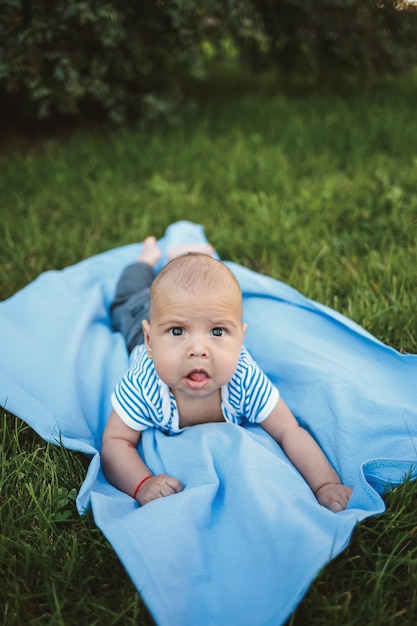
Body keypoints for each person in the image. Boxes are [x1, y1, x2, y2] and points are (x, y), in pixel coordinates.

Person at [102, 237, 352, 512]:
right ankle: (147, 260)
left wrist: (325, 484)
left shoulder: (244, 379)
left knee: (191, 288)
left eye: (217, 332)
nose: (198, 349)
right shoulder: (144, 384)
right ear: (151, 341)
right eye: (177, 331)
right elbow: (116, 441)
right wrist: (143, 483)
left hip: (175, 306)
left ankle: (192, 257)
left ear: (240, 339)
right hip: (138, 313)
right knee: (126, 300)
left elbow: (289, 430)